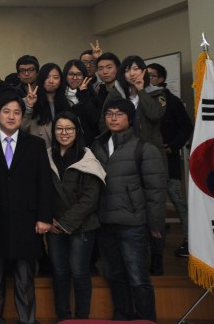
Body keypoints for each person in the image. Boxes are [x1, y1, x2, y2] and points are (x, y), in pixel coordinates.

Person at [92, 99, 166, 321]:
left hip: (133, 224)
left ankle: (145, 319)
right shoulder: (97, 145)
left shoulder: (145, 148)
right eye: (109, 114)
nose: (113, 118)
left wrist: (155, 225)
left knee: (138, 278)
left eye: (119, 114)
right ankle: (122, 316)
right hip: (105, 222)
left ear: (130, 118)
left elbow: (156, 191)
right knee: (114, 275)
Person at [0, 92, 52, 324]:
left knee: (25, 279)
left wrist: (44, 217)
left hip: (26, 222)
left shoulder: (36, 144)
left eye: (16, 112)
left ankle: (27, 320)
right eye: (6, 111)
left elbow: (44, 183)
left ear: (23, 116)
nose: (11, 116)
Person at [46, 112, 105, 320]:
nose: (64, 132)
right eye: (59, 128)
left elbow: (90, 199)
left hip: (82, 227)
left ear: (77, 131)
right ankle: (63, 317)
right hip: (53, 227)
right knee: (59, 272)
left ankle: (81, 318)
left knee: (79, 272)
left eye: (69, 128)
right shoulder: (46, 156)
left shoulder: (88, 159)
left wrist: (64, 223)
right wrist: (48, 219)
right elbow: (40, 192)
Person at [147, 62, 193, 257]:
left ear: (161, 79)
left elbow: (186, 126)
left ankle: (190, 241)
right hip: (147, 160)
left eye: (152, 75)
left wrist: (172, 146)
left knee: (177, 200)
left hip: (168, 159)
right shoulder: (141, 98)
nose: (148, 78)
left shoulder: (172, 101)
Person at [23, 63, 72, 147]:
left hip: (63, 149)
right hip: (39, 150)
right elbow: (21, 129)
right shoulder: (26, 101)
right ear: (41, 79)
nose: (51, 81)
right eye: (47, 77)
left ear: (60, 81)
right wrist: (29, 107)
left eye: (55, 77)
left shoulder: (68, 103)